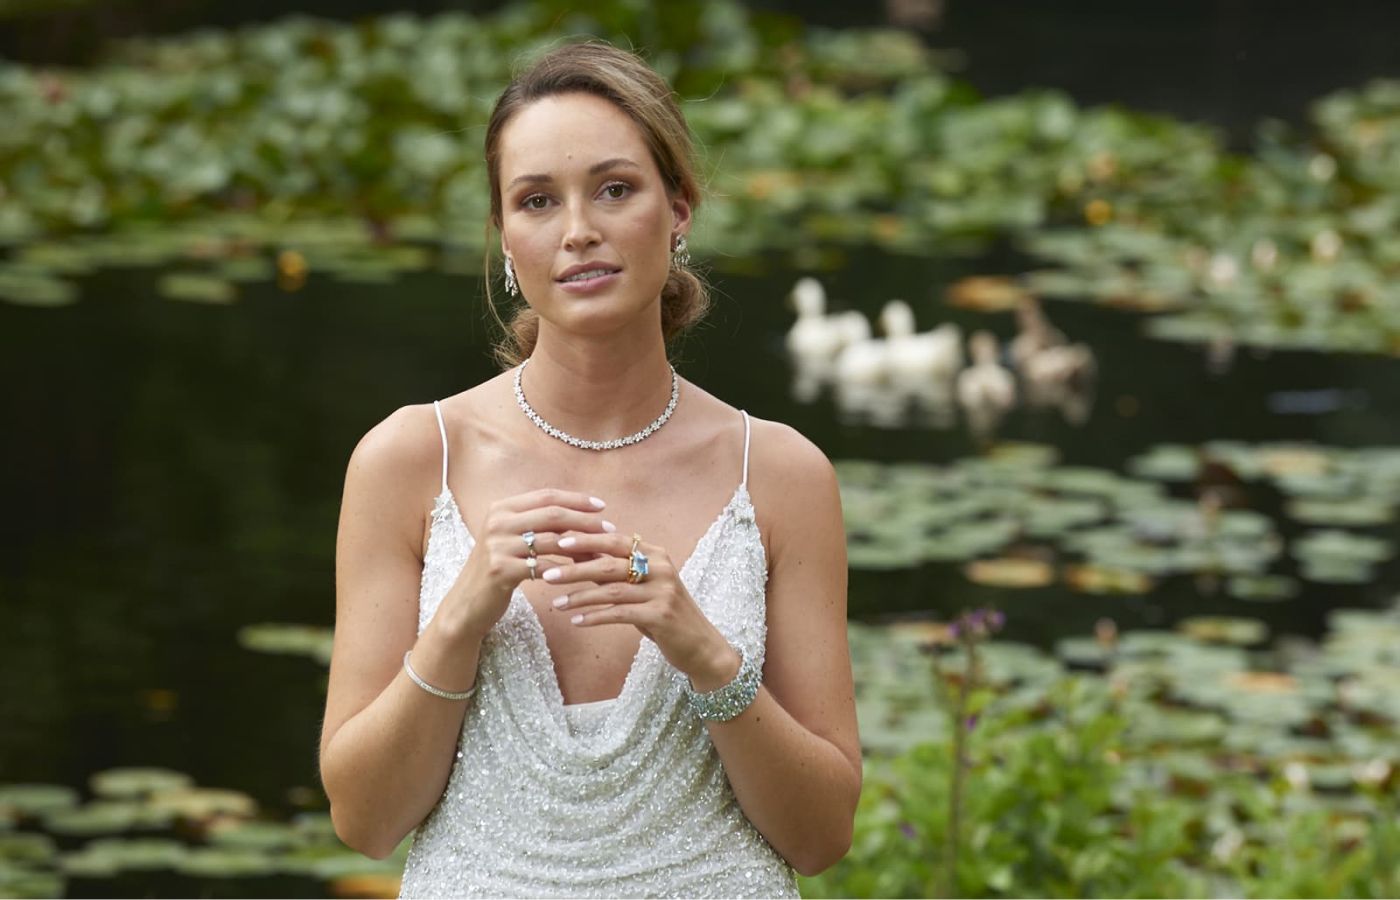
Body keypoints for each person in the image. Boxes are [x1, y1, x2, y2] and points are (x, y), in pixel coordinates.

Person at [317, 39, 860, 898]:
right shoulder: (410, 460)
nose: (579, 231)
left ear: (677, 209)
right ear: (504, 236)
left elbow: (823, 834)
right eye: (537, 201)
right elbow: (366, 821)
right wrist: (463, 615)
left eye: (615, 188)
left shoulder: (782, 474)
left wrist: (705, 653)